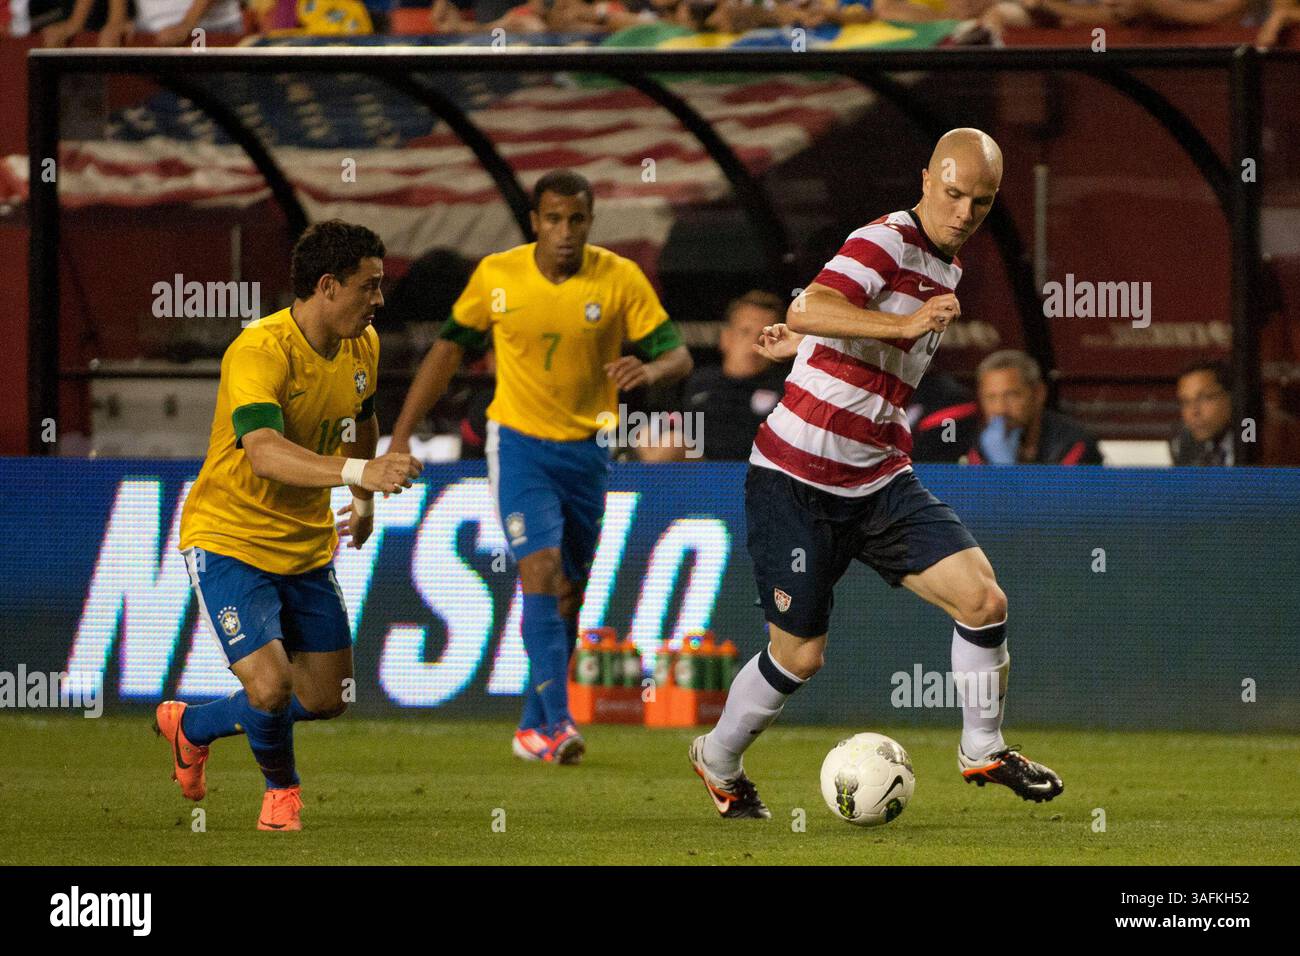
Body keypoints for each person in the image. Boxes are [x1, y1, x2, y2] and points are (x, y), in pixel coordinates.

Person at [689, 129, 1064, 820]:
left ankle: (982, 748)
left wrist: (807, 343)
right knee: (799, 658)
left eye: (979, 204)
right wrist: (878, 324)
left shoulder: (946, 265)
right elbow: (808, 302)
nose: (962, 213)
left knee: (984, 602)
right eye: (952, 194)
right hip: (794, 480)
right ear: (925, 180)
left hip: (878, 477)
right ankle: (718, 757)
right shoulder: (887, 240)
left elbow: (832, 324)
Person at [389, 169, 692, 764]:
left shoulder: (620, 278)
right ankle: (558, 723)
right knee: (540, 568)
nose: (564, 231)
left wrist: (650, 371)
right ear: (534, 222)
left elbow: (677, 354)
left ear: (590, 220)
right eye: (552, 219)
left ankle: (532, 728)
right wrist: (400, 437)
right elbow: (448, 351)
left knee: (566, 594)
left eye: (576, 219)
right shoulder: (496, 276)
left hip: (587, 452)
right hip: (519, 444)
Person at [157, 221, 423, 831]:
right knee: (272, 686)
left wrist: (363, 499)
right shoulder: (259, 350)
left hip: (305, 546)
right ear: (328, 286)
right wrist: (361, 470)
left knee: (327, 698)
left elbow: (361, 419)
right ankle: (282, 792)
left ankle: (192, 725)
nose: (379, 300)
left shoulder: (365, 345)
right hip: (229, 538)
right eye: (370, 286)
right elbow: (264, 451)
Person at [964, 350, 1102, 465]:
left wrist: (1005, 470)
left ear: (1039, 394)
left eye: (1012, 395)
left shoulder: (1073, 443)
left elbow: (1055, 497)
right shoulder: (980, 444)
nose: (1000, 409)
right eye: (990, 398)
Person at [1170, 359, 1234, 466]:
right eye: (1185, 402)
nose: (1194, 411)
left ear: (1231, 398)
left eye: (1205, 398)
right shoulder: (1185, 449)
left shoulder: (1253, 438)